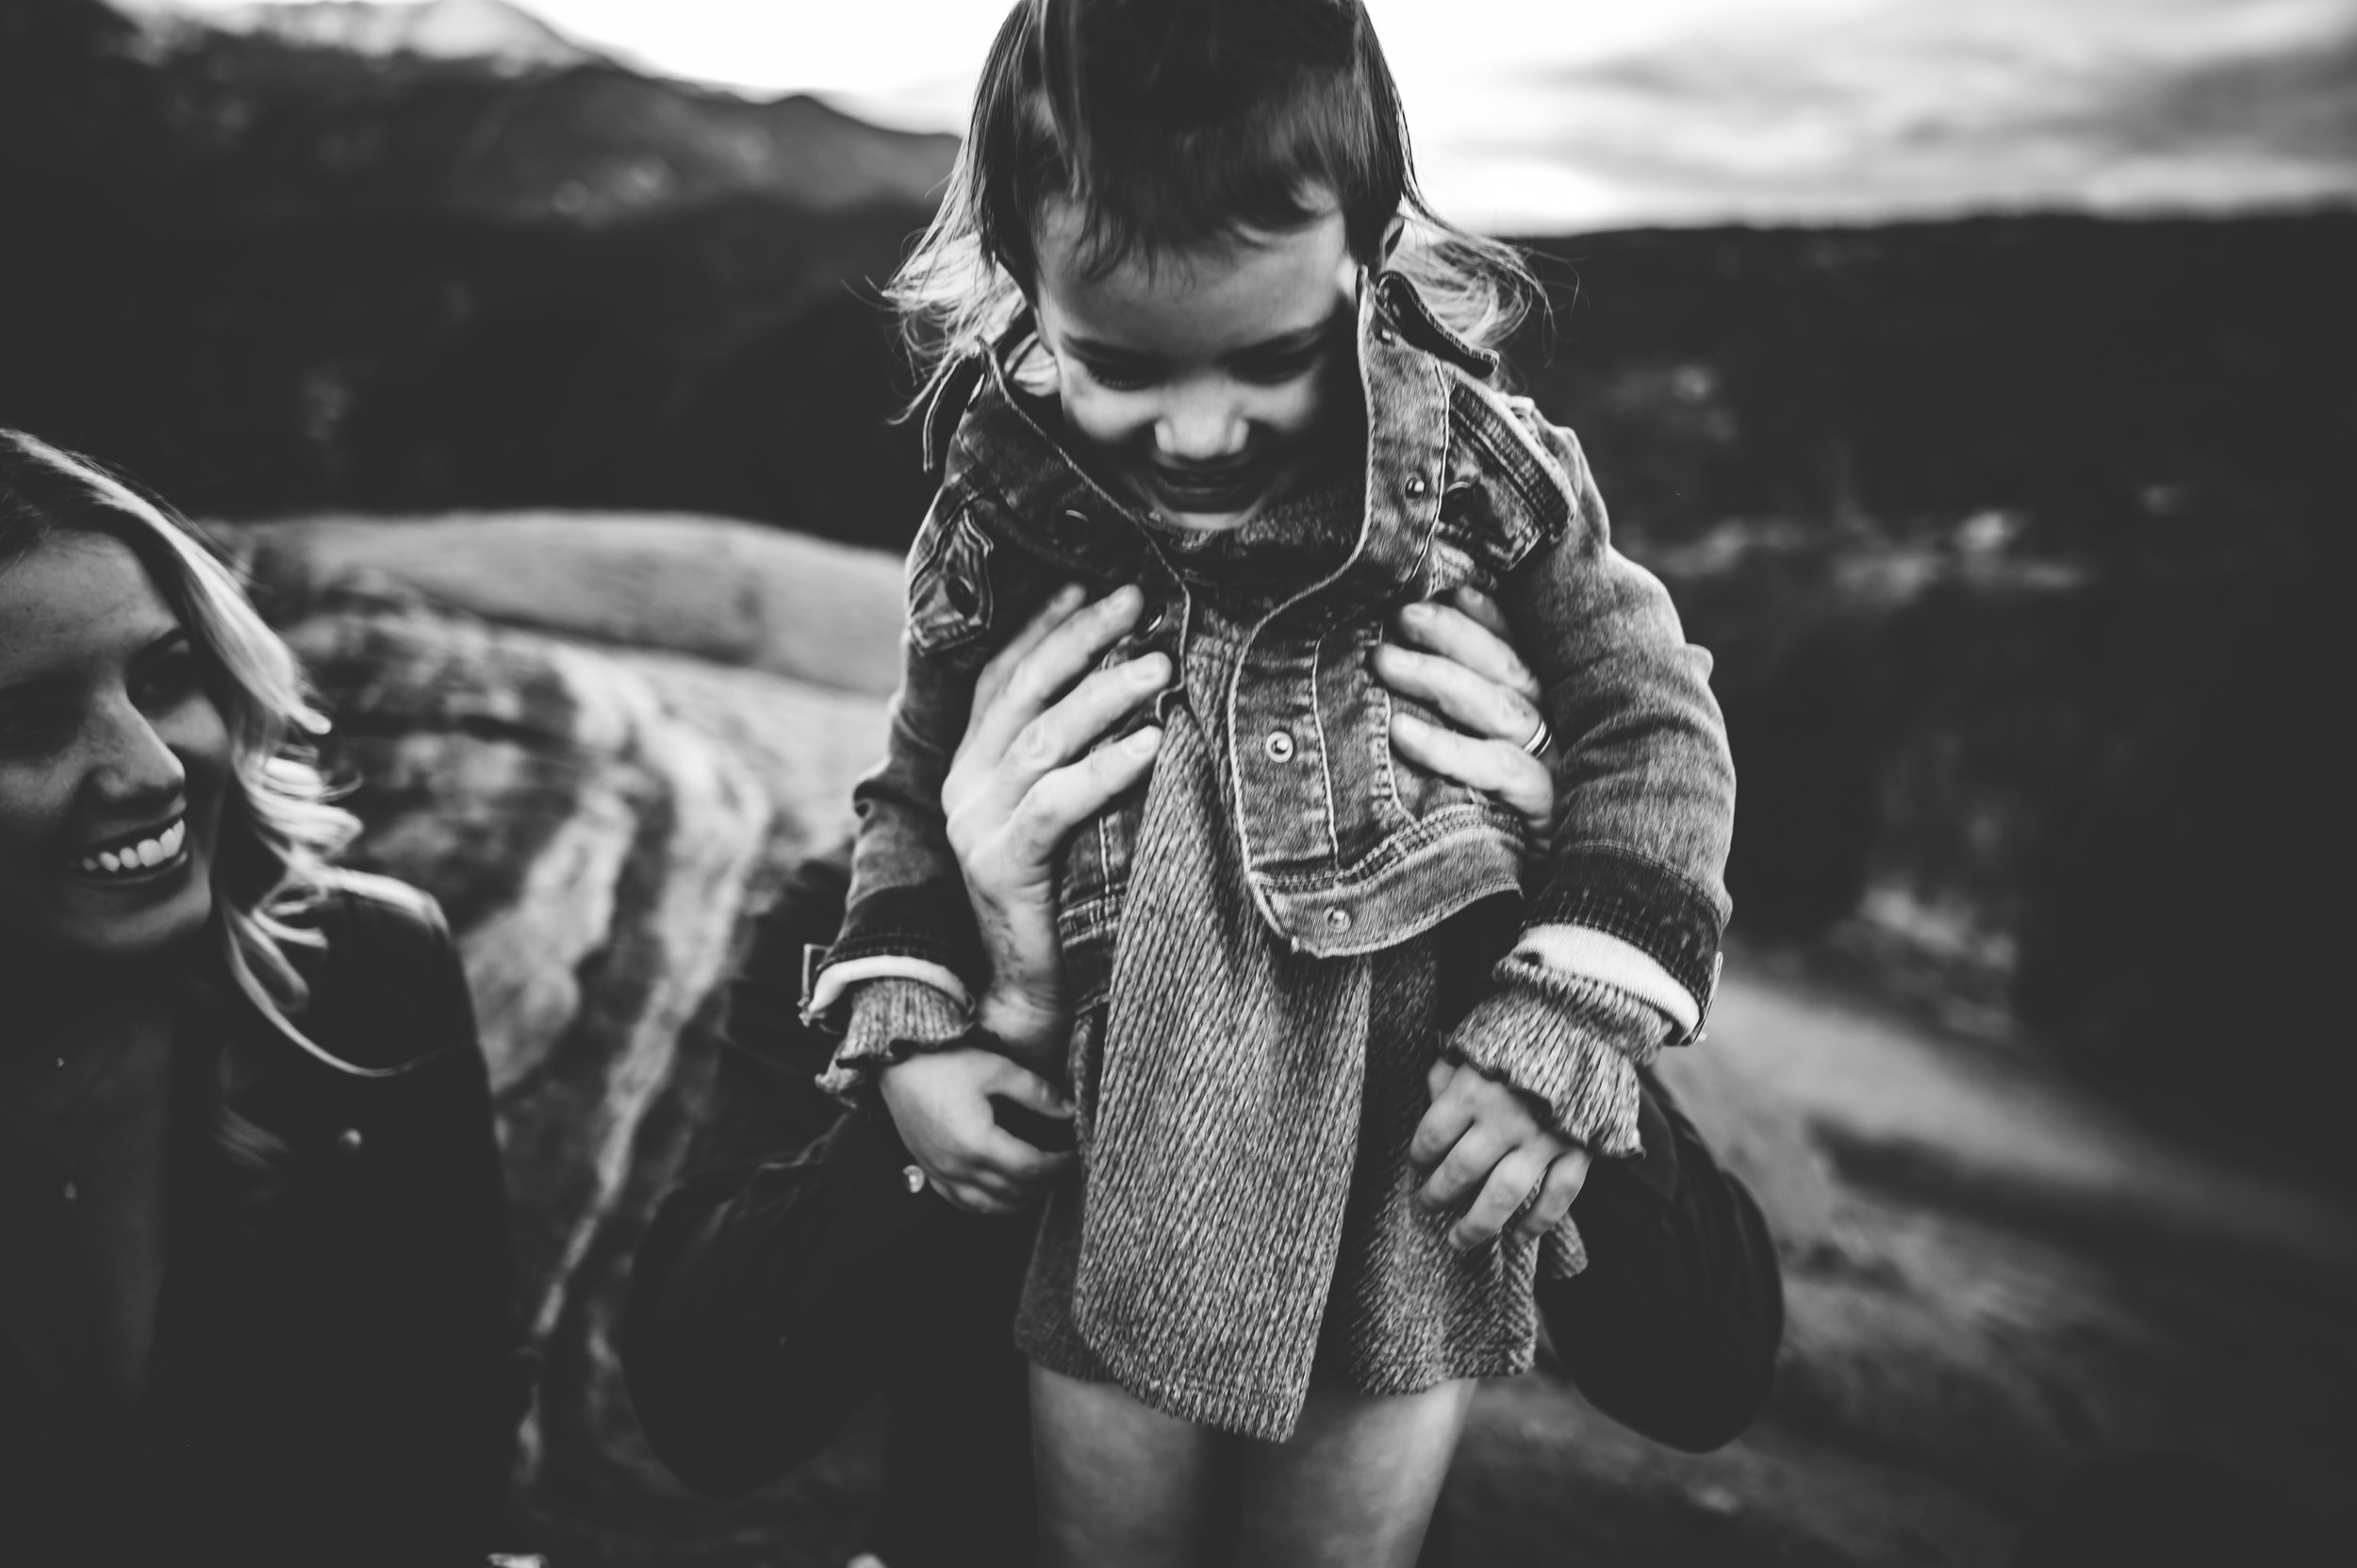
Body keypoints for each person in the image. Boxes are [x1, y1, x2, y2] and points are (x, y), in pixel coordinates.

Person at [799, 1, 1737, 1560]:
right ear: (1022, 293)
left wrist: (1567, 1018)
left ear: (1369, 257)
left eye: (1275, 354)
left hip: (1405, 1167)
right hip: (1116, 1175)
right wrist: (912, 1035)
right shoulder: (1004, 517)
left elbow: (1655, 726)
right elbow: (910, 792)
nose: (1201, 426)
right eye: (1119, 362)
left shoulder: (1479, 475)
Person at [628, 590, 1771, 1566]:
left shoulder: (1522, 950)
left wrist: (1496, 927)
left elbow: (1701, 1371)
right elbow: (705, 1410)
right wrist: (996, 1021)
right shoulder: (879, 938)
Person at [0, 430, 530, 1567]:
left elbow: (450, 1450)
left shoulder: (369, 970)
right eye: (28, 721)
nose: (150, 768)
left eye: (163, 677)